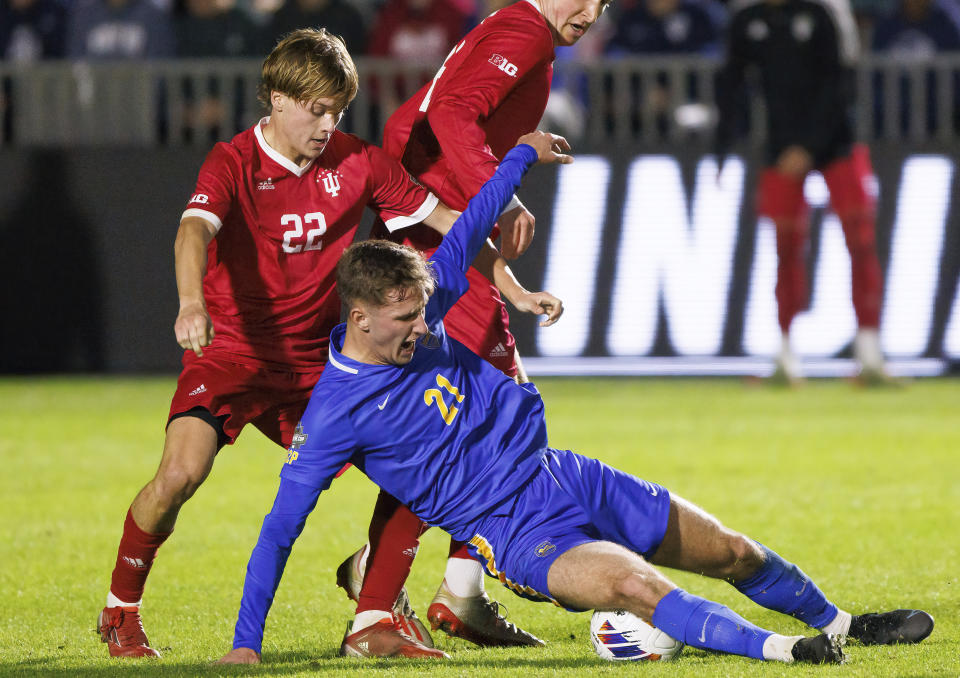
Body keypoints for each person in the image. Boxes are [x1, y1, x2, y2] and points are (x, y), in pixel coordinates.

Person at [216, 131, 935, 665]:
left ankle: (842, 624)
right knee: (637, 587)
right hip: (518, 532)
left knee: (731, 549)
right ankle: (791, 652)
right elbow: (281, 528)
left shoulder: (419, 311)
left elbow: (467, 231)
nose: (420, 327)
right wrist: (247, 646)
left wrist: (521, 154)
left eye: (420, 312)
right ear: (361, 316)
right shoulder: (335, 412)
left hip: (562, 473)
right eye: (404, 321)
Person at [95, 27, 561, 659]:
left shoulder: (359, 161)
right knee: (181, 473)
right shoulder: (234, 162)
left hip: (318, 367)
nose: (325, 123)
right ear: (277, 100)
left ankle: (372, 616)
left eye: (336, 109)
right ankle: (122, 610)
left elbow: (451, 228)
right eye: (314, 109)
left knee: (421, 456)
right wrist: (190, 302)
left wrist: (510, 283)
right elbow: (192, 234)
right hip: (233, 354)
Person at [334, 0, 612, 655]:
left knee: (494, 421)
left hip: (439, 244)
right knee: (458, 427)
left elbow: (421, 124)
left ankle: (454, 590)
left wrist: (505, 280)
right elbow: (448, 116)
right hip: (431, 253)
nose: (590, 11)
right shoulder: (520, 29)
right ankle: (379, 606)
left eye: (601, 2)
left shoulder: (527, 37)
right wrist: (503, 191)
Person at [715, 0, 890, 384]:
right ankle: (785, 355)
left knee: (860, 241)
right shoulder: (748, 18)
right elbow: (730, 81)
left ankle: (870, 353)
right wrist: (722, 146)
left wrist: (808, 146)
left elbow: (842, 81)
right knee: (785, 247)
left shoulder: (826, 10)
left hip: (837, 142)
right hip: (781, 148)